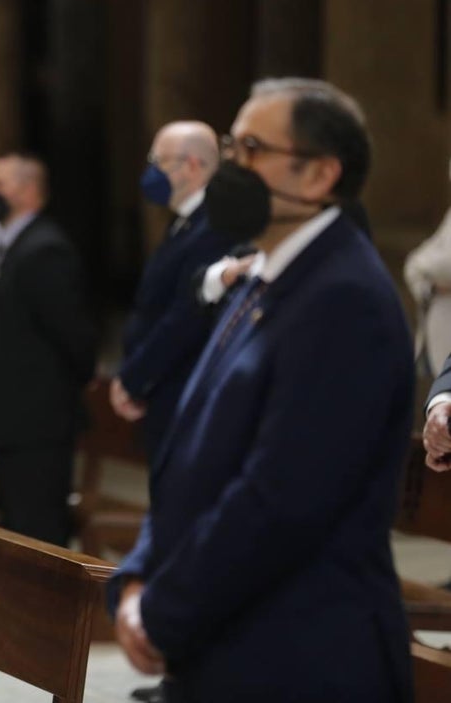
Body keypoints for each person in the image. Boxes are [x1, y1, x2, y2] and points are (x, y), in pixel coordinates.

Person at [111, 78, 415, 702]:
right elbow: (191, 454)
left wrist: (163, 609)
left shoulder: (345, 298)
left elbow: (281, 496)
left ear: (319, 175)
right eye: (232, 144)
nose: (233, 166)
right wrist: (139, 578)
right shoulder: (259, 281)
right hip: (230, 642)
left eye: (252, 149)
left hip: (301, 659)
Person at [0, 153, 94, 545]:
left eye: (0, 185)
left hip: (37, 420)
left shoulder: (43, 250)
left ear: (30, 191)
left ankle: (45, 607)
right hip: (14, 419)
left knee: (38, 528)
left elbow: (74, 334)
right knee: (18, 525)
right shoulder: (10, 245)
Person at [111, 122, 235, 464]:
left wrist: (136, 378)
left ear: (192, 165)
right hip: (164, 390)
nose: (151, 172)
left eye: (158, 161)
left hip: (184, 391)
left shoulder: (214, 225)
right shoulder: (186, 220)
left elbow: (186, 315)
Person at [405, 194, 451, 376]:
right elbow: (413, 265)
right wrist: (432, 286)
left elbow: (445, 265)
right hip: (441, 344)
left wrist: (427, 268)